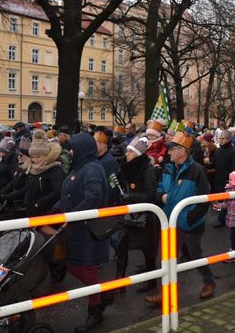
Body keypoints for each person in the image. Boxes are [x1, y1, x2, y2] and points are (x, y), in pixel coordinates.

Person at [145, 131, 216, 305]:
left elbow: (203, 200)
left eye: (172, 149)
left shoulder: (198, 171)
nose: (168, 152)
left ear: (182, 150)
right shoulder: (168, 168)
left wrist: (188, 219)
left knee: (195, 255)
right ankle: (165, 294)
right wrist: (161, 196)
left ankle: (209, 282)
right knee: (167, 258)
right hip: (169, 222)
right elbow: (160, 187)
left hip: (189, 224)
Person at [56, 133, 111, 332]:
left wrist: (70, 216)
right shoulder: (79, 166)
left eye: (72, 148)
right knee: (73, 265)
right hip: (76, 228)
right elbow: (69, 193)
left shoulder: (93, 169)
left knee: (85, 267)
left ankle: (95, 310)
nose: (70, 152)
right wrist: (55, 210)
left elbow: (93, 197)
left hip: (86, 229)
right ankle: (102, 293)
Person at [116, 137, 160, 293]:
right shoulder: (127, 167)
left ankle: (151, 282)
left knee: (148, 251)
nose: (126, 154)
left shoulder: (147, 170)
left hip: (145, 217)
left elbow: (150, 194)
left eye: (129, 151)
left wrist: (130, 197)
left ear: (137, 153)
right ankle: (119, 282)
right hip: (128, 214)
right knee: (121, 248)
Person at [26, 130, 65, 217]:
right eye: (32, 157)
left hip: (47, 214)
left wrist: (39, 203)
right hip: (32, 212)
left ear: (47, 155)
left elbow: (58, 191)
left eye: (38, 156)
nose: (35, 160)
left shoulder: (55, 169)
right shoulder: (33, 169)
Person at [209, 130, 235, 228]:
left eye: (222, 138)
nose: (220, 140)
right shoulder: (218, 151)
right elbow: (213, 164)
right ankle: (222, 219)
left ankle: (223, 220)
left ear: (228, 139)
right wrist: (205, 165)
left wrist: (231, 180)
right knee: (220, 201)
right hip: (218, 179)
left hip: (228, 181)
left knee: (229, 202)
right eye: (220, 138)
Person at [94, 129, 121, 206]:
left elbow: (112, 185)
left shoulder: (110, 162)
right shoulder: (97, 158)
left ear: (103, 144)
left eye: (95, 143)